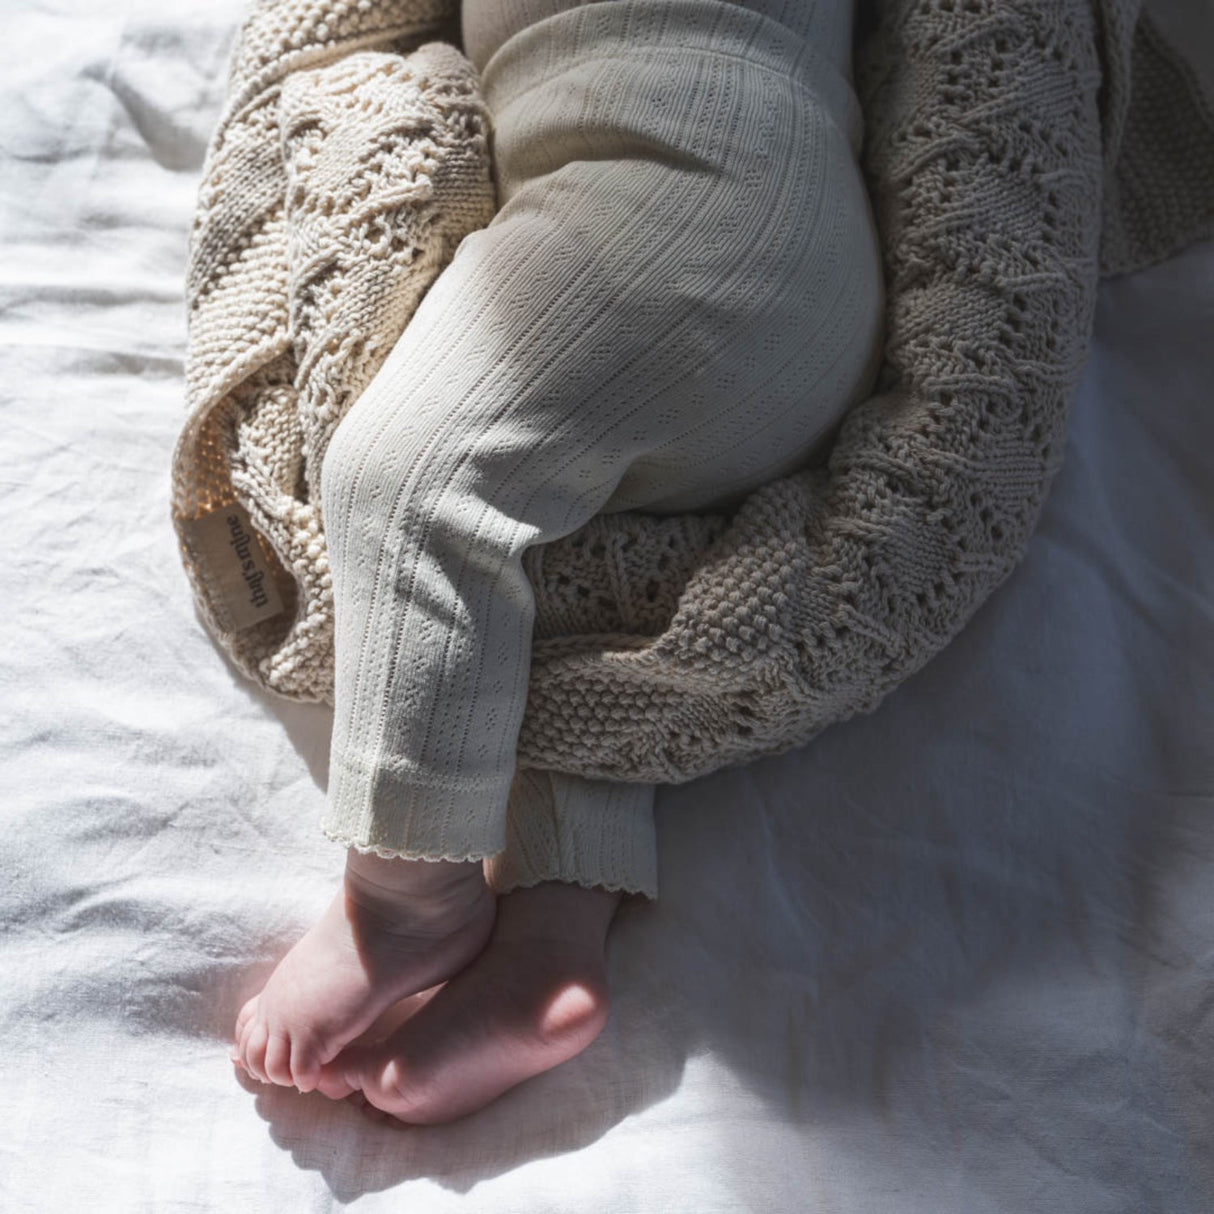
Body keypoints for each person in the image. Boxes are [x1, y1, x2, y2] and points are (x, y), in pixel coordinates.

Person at [231, 0, 884, 1126]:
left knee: (408, 479)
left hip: (689, 195)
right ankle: (554, 930)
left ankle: (407, 896)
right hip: (783, 262)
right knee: (549, 564)